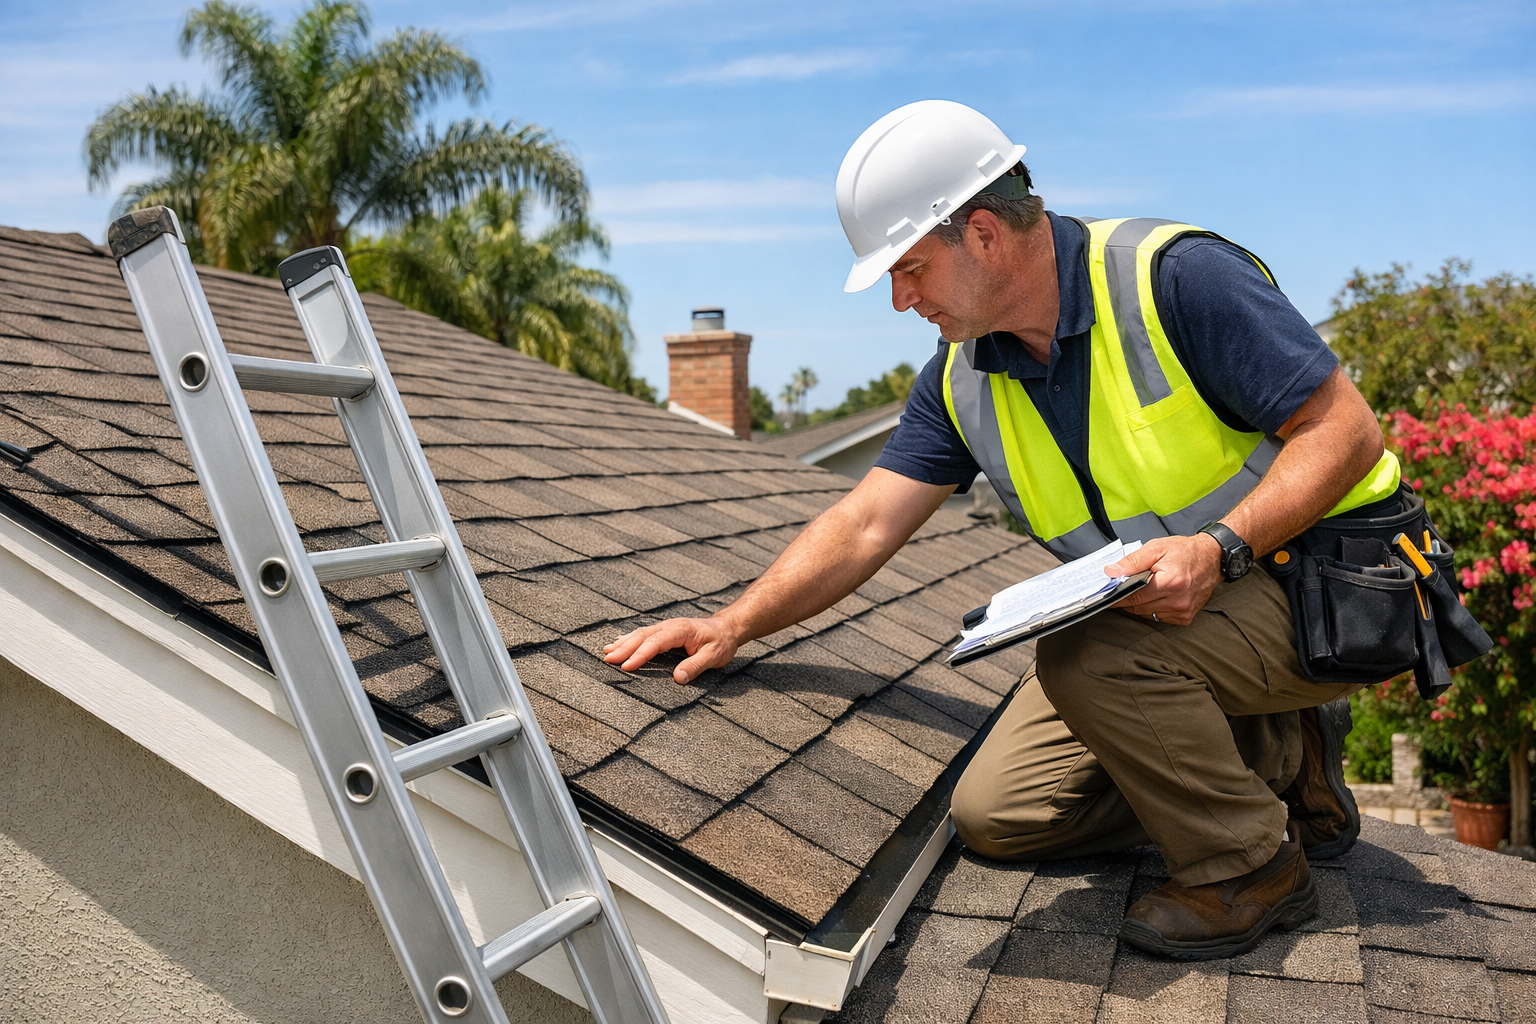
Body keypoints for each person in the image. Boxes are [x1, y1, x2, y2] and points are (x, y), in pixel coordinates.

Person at [604, 100, 1400, 960]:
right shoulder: (963, 377)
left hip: (1331, 584)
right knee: (1002, 815)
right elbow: (867, 521)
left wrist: (1219, 547)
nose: (902, 301)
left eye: (909, 271)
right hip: (1168, 616)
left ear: (983, 234)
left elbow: (1348, 432)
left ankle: (1250, 866)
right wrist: (731, 624)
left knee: (1087, 658)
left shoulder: (1176, 279)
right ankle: (1280, 757)